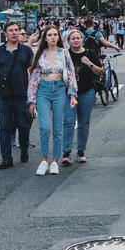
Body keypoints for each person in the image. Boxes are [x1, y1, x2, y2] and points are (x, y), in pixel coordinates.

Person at [26, 24, 77, 175]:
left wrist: (73, 94)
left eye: (55, 34)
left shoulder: (64, 52)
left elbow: (71, 73)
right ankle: (43, 160)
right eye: (49, 35)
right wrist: (32, 100)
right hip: (43, 90)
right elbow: (34, 77)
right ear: (45, 38)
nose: (53, 37)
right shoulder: (40, 53)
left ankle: (55, 160)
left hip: (59, 90)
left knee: (57, 128)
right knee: (44, 127)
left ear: (59, 37)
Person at [0, 22, 34, 169]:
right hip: (4, 96)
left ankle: (24, 148)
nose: (14, 33)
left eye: (16, 30)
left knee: (24, 125)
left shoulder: (26, 51)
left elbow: (32, 73)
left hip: (22, 95)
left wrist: (33, 93)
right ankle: (6, 158)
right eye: (11, 30)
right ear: (5, 34)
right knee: (5, 127)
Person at [63, 29, 103, 166]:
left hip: (87, 92)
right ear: (68, 41)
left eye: (78, 38)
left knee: (83, 123)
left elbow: (101, 70)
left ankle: (81, 151)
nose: (76, 40)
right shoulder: (65, 54)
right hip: (69, 94)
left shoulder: (89, 53)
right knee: (68, 121)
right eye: (72, 38)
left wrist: (89, 64)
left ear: (82, 39)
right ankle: (66, 152)